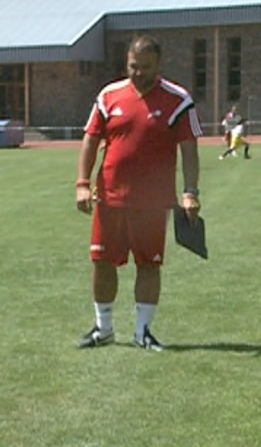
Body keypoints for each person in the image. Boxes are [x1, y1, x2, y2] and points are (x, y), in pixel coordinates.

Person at [75, 35, 202, 352]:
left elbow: (189, 149)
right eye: (133, 66)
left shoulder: (178, 99)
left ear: (158, 65)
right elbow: (90, 140)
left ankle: (143, 332)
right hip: (110, 198)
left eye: (146, 67)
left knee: (149, 264)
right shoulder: (109, 96)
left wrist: (190, 192)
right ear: (126, 63)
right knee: (102, 262)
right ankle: (103, 329)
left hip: (152, 203)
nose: (138, 73)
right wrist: (81, 183)